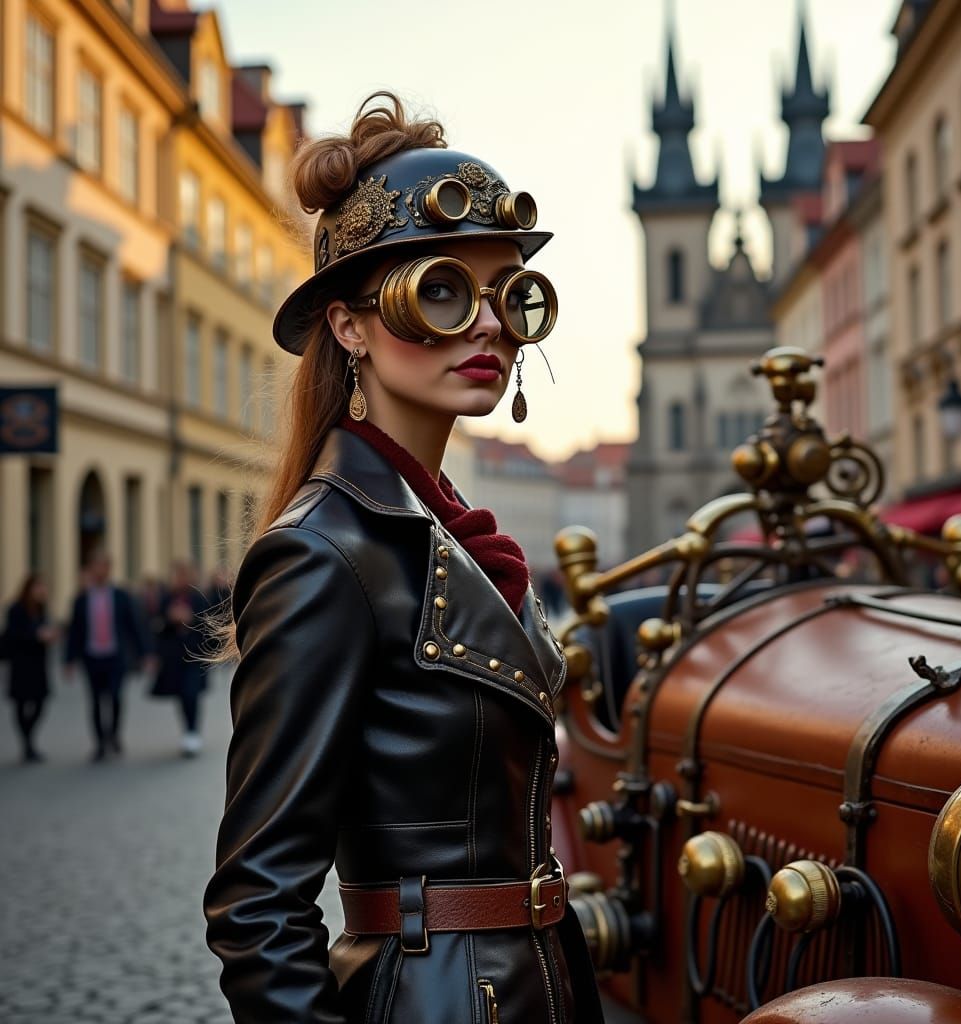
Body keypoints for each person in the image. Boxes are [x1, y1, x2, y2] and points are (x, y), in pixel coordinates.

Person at [203, 93, 603, 1023]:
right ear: (349, 328)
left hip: (533, 987)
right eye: (441, 291)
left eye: (508, 294)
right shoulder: (323, 551)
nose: (489, 325)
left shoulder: (450, 530)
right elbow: (257, 900)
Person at [64, 550, 153, 760]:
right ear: (90, 569)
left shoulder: (121, 596)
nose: (100, 570)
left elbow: (134, 626)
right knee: (95, 700)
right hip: (92, 656)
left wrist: (146, 653)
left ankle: (113, 734)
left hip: (116, 657)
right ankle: (99, 743)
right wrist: (69, 660)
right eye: (96, 566)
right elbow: (75, 631)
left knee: (114, 697)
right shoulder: (82, 599)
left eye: (104, 566)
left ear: (109, 569)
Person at [151, 560, 210, 756]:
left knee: (191, 693)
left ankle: (193, 732)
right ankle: (187, 730)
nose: (180, 579)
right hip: (174, 658)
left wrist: (189, 618)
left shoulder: (199, 598)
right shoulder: (167, 598)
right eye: (178, 575)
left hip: (194, 655)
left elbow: (208, 625)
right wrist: (170, 619)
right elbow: (157, 626)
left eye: (184, 575)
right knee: (181, 695)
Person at [4, 574, 58, 762]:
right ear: (29, 588)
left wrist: (50, 636)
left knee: (40, 703)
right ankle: (27, 742)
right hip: (21, 664)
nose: (42, 591)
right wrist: (36, 636)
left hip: (38, 664)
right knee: (21, 703)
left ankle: (28, 738)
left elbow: (47, 629)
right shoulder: (15, 609)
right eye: (39, 587)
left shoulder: (42, 609)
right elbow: (13, 635)